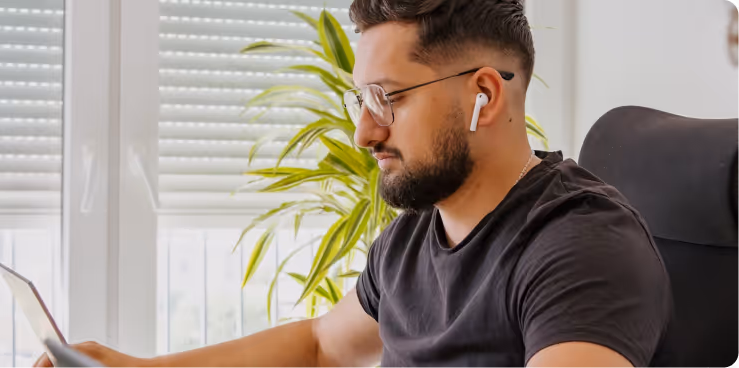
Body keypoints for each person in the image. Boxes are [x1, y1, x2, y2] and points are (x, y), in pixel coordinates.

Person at [35, 0, 671, 366]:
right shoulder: (412, 238)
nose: (364, 133)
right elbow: (319, 346)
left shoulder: (580, 248)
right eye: (360, 98)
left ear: (483, 95)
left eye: (387, 98)